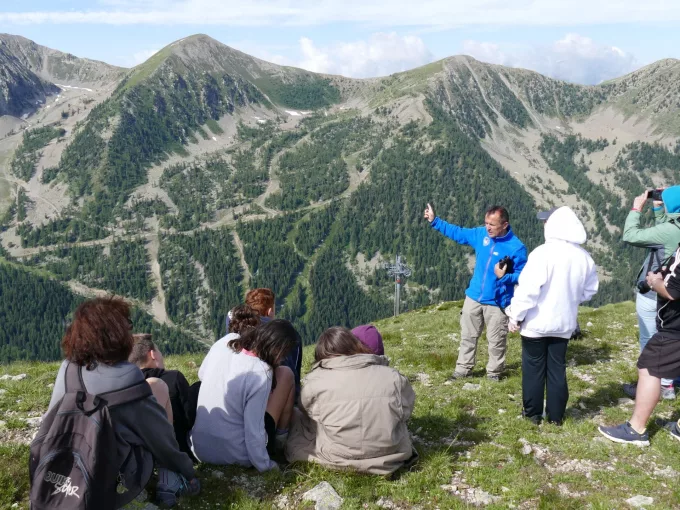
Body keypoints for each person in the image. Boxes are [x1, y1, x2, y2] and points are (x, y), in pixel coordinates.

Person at [46, 297, 199, 508]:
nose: (130, 332)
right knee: (159, 390)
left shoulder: (68, 368)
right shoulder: (127, 376)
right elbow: (159, 436)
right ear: (116, 334)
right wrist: (186, 468)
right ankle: (169, 476)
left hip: (60, 468)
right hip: (108, 475)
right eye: (128, 326)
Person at [506, 207, 599, 425]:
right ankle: (556, 417)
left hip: (536, 324)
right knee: (557, 368)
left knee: (533, 369)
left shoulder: (542, 253)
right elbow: (589, 291)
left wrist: (515, 317)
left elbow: (528, 292)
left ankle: (532, 415)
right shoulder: (584, 257)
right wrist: (571, 298)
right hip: (564, 323)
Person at [285, 327, 416, 475]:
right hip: (390, 455)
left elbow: (305, 410)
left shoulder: (315, 381)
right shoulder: (394, 377)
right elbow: (406, 411)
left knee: (298, 418)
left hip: (336, 457)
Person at [424, 203, 528, 381]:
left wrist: (505, 277)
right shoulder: (481, 235)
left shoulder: (516, 248)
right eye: (486, 222)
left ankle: (494, 373)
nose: (488, 227)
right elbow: (458, 233)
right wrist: (435, 221)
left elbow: (524, 276)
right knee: (468, 336)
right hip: (473, 297)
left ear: (505, 225)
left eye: (492, 224)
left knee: (496, 340)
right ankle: (463, 370)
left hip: (498, 302)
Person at [598, 242, 680, 446]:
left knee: (649, 368)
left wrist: (654, 281)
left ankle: (636, 429)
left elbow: (672, 291)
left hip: (675, 326)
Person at [189, 319, 297, 471]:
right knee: (286, 374)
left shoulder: (224, 342)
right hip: (236, 455)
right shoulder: (261, 371)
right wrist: (266, 466)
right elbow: (254, 430)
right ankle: (281, 440)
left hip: (200, 448)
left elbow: (202, 374)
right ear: (278, 350)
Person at [621, 186, 680, 400]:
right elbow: (665, 233)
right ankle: (670, 379)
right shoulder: (674, 228)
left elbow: (630, 235)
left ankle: (659, 385)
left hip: (655, 291)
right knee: (671, 335)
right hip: (675, 289)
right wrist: (658, 209)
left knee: (651, 337)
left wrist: (636, 209)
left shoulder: (670, 231)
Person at [228, 288, 303, 403]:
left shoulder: (234, 327)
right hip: (273, 398)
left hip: (234, 393)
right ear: (269, 311)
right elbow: (293, 371)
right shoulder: (285, 334)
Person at [129, 334, 195, 459]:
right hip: (178, 448)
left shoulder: (128, 385)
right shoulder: (173, 378)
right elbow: (190, 418)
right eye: (159, 351)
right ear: (153, 354)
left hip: (140, 456)